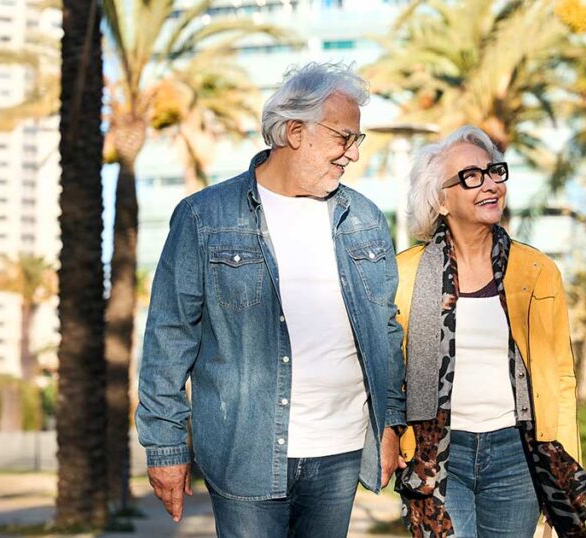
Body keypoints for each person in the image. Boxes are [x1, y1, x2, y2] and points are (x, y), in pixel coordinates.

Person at [135, 62, 406, 538]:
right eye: (345, 138)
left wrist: (390, 424)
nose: (352, 155)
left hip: (340, 451)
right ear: (296, 131)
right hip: (246, 449)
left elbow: (385, 329)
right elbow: (168, 338)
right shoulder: (204, 216)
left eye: (356, 141)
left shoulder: (363, 218)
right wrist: (166, 447)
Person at [393, 126, 586, 537]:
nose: (490, 185)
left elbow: (558, 378)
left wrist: (562, 466)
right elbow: (388, 369)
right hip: (438, 454)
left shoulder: (537, 271)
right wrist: (391, 435)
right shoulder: (405, 274)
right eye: (471, 176)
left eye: (494, 172)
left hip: (515, 453)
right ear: (441, 199)